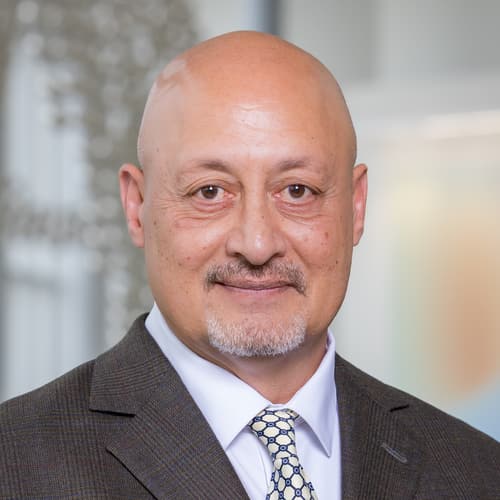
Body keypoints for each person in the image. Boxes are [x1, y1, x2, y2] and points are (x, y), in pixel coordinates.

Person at [0, 31, 498, 500]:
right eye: (209, 192)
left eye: (297, 191)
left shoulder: (477, 472)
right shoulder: (14, 465)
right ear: (137, 207)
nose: (257, 244)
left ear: (356, 206)